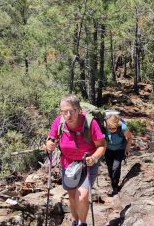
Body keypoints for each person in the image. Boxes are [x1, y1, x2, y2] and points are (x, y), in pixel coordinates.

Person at [45, 94, 106, 226]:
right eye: (64, 112)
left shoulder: (90, 123)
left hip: (87, 164)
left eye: (71, 111)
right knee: (72, 197)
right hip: (68, 164)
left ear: (79, 110)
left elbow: (101, 145)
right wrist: (49, 143)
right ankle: (75, 221)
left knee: (82, 196)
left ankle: (82, 223)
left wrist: (94, 157)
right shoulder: (59, 122)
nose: (68, 115)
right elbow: (51, 138)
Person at [104, 114, 133, 196]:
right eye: (109, 128)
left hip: (119, 149)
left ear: (117, 125)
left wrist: (127, 149)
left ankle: (115, 187)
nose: (111, 130)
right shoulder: (104, 127)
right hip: (108, 150)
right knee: (110, 168)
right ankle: (113, 182)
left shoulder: (123, 128)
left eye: (113, 128)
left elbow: (130, 137)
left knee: (116, 167)